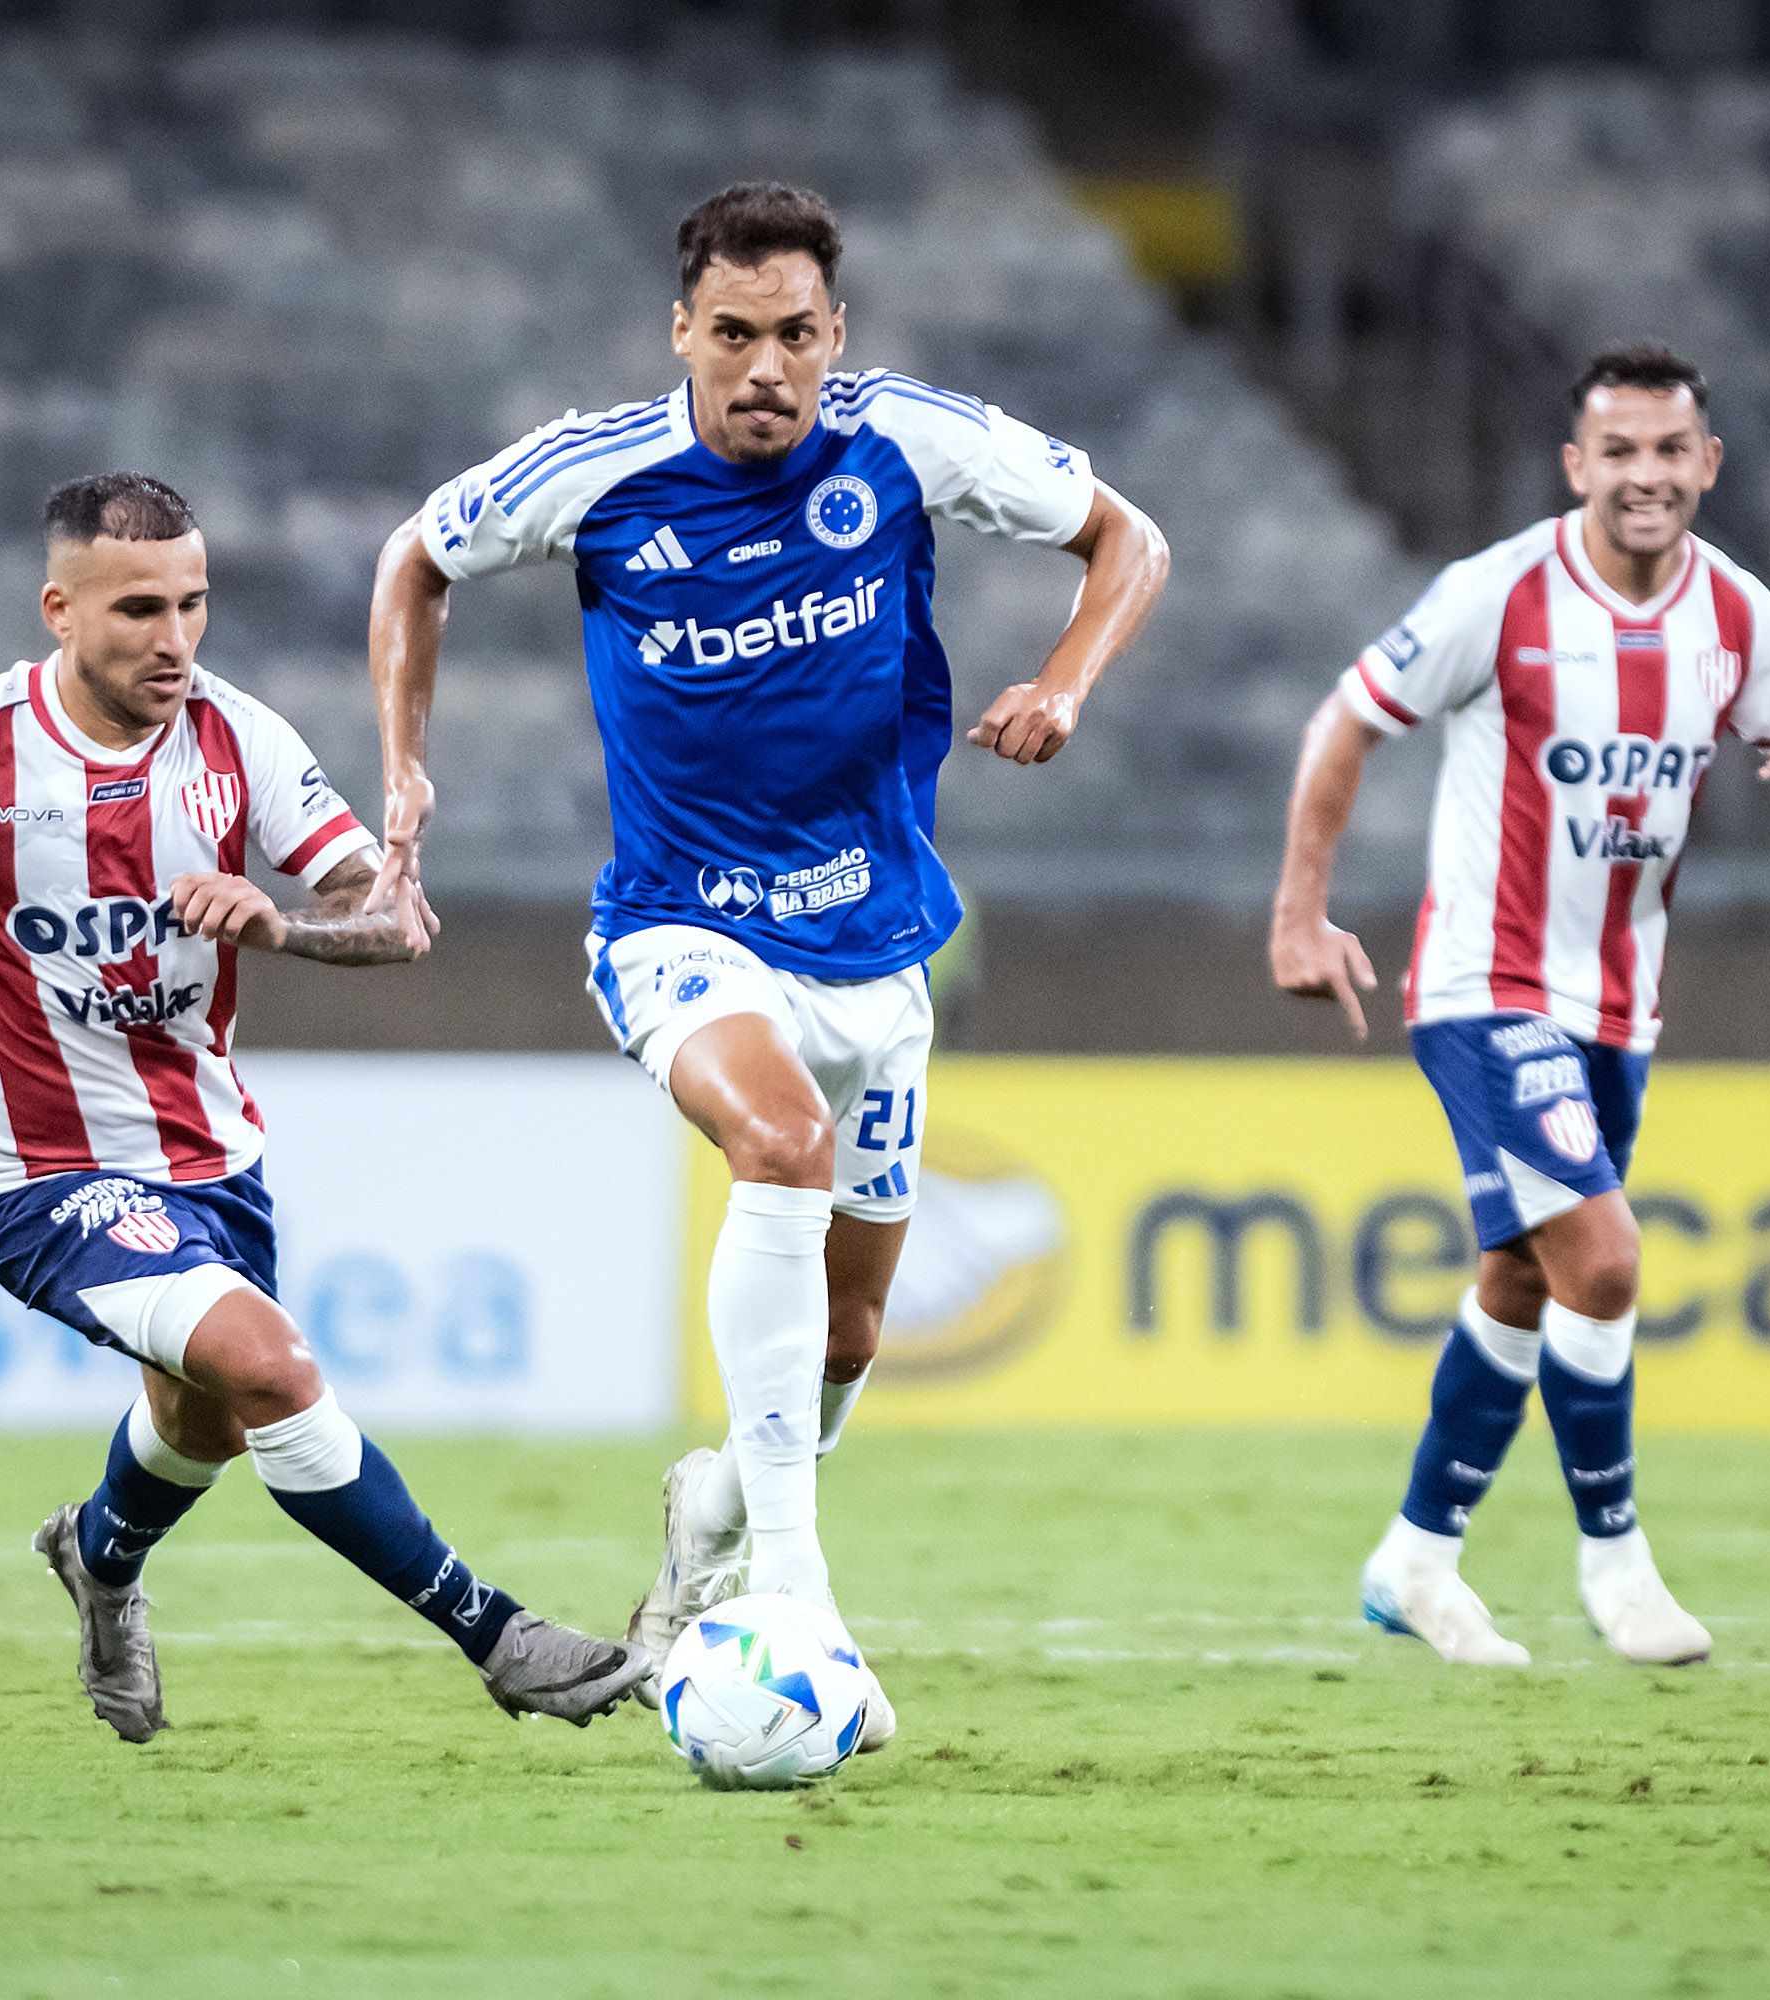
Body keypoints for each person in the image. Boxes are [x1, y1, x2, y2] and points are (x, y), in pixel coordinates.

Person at [0, 472, 647, 1739]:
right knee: (270, 1366)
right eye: (139, 608)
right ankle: (500, 1633)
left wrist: (282, 924)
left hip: (212, 1166)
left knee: (201, 1420)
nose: (174, 637)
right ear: (59, 609)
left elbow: (393, 914)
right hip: (38, 1178)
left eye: (193, 604)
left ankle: (101, 1554)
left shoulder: (242, 739)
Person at [362, 183, 1169, 1737]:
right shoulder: (599, 473)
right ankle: (791, 1592)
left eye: (795, 335)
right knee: (779, 1142)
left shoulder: (907, 441)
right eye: (732, 334)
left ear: (835, 336)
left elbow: (1126, 539)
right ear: (682, 332)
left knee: (855, 1331)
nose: (765, 369)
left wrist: (1068, 682)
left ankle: (718, 1513)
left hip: (875, 941)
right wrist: (402, 764)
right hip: (680, 922)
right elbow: (414, 559)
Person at [1268, 346, 1770, 1667]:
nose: (1645, 476)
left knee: (1523, 1280)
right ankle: (1618, 1565)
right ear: (1577, 466)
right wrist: (1301, 912)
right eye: (1620, 452)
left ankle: (1415, 1558)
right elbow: (1345, 723)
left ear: (1705, 465)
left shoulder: (1743, 619)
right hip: (1485, 984)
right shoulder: (1501, 594)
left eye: (1670, 452)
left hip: (1618, 1007)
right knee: (1605, 1260)